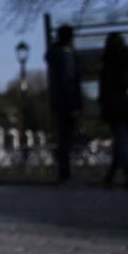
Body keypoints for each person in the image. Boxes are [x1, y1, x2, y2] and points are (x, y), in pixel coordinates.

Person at [98, 33, 128, 188]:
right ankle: (111, 176)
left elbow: (104, 87)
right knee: (122, 140)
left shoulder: (108, 62)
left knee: (120, 139)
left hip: (114, 105)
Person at [46, 25, 83, 183]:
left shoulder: (56, 54)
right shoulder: (65, 55)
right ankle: (65, 174)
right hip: (67, 102)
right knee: (66, 140)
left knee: (64, 139)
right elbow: (68, 80)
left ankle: (64, 173)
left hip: (59, 101)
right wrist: (74, 103)